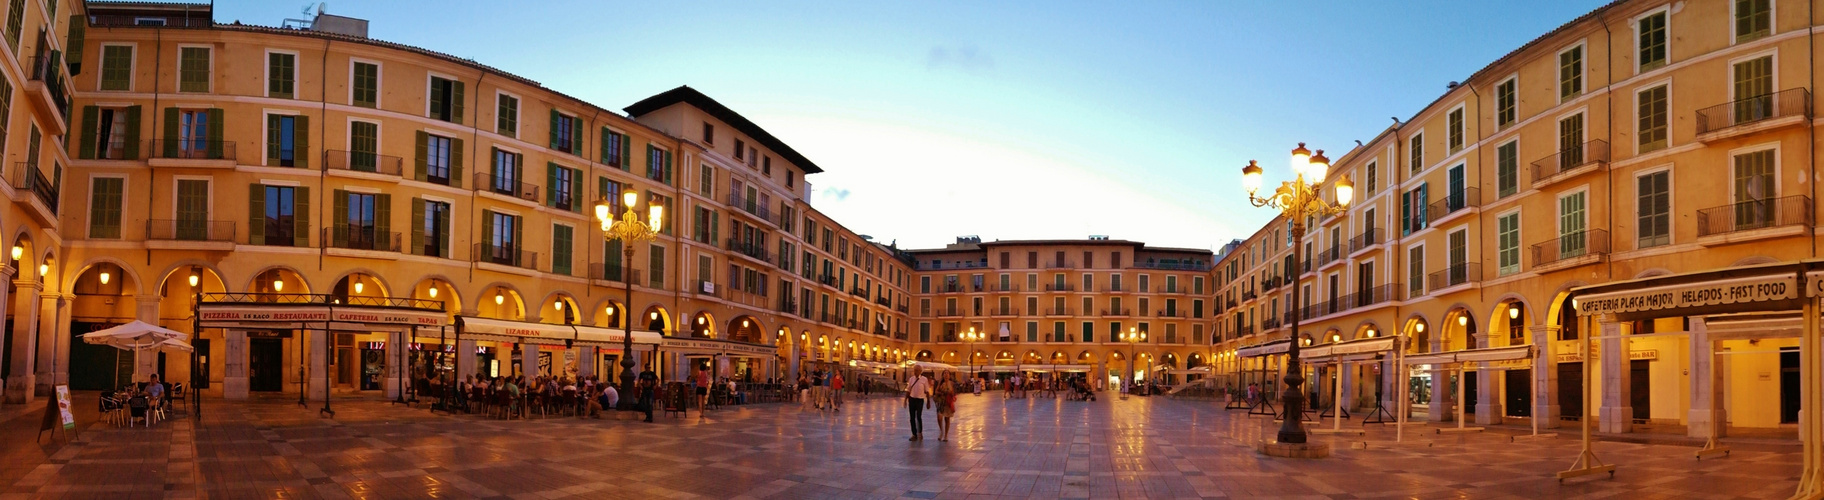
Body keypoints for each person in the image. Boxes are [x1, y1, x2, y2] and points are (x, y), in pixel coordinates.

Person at [906, 367, 932, 441]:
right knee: (912, 418)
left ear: (920, 371)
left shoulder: (924, 379)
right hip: (912, 399)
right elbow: (908, 390)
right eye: (914, 370)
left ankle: (919, 432)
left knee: (918, 416)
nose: (915, 372)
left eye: (917, 370)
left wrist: (928, 402)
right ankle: (914, 434)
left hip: (920, 400)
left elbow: (927, 391)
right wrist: (905, 400)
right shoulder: (911, 379)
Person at [934, 372, 957, 441]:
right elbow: (936, 391)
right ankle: (941, 431)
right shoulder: (940, 382)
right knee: (939, 417)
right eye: (944, 373)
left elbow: (954, 393)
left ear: (950, 376)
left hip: (948, 403)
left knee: (947, 419)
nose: (946, 375)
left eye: (947, 374)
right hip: (941, 402)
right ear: (943, 375)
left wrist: (949, 392)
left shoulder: (952, 383)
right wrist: (941, 392)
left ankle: (946, 435)